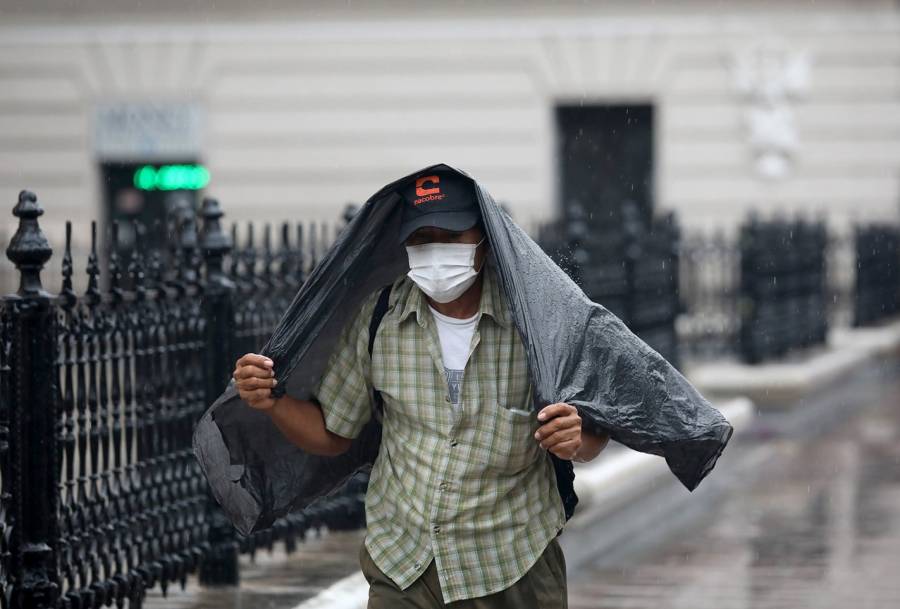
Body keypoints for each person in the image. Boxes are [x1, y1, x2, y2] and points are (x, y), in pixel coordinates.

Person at [231, 169, 611, 608]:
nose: (435, 251)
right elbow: (333, 434)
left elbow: (593, 436)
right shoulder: (380, 319)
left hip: (512, 564)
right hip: (404, 564)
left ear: (485, 240)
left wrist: (574, 439)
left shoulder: (536, 323)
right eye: (421, 239)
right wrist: (272, 401)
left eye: (450, 236)